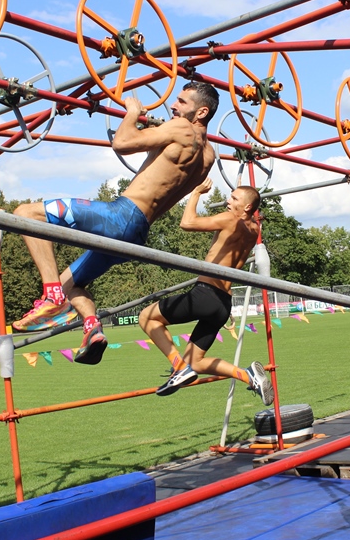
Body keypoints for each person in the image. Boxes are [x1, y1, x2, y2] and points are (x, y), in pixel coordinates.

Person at [11, 82, 219, 365]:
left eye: (181, 102)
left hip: (121, 215)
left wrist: (132, 113)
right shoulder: (208, 156)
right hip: (137, 233)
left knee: (25, 213)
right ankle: (92, 329)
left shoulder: (181, 129)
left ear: (201, 111)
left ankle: (51, 298)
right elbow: (166, 177)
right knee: (70, 284)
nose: (173, 106)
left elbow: (121, 142)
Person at [138, 178, 273, 405]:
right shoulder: (253, 229)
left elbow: (187, 223)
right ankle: (248, 375)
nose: (227, 201)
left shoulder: (231, 219)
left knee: (146, 317)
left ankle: (178, 368)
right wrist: (240, 196)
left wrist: (196, 192)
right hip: (222, 303)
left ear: (247, 207)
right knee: (196, 362)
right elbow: (228, 237)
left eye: (234, 198)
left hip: (206, 294)